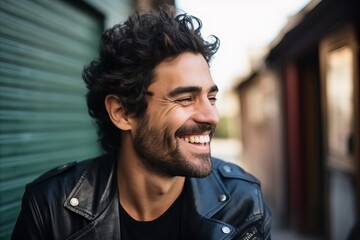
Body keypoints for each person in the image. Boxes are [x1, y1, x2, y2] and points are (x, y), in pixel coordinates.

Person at [11, 4, 271, 240]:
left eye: (211, 97)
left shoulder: (243, 203)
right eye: (185, 99)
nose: (211, 116)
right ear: (122, 112)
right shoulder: (51, 206)